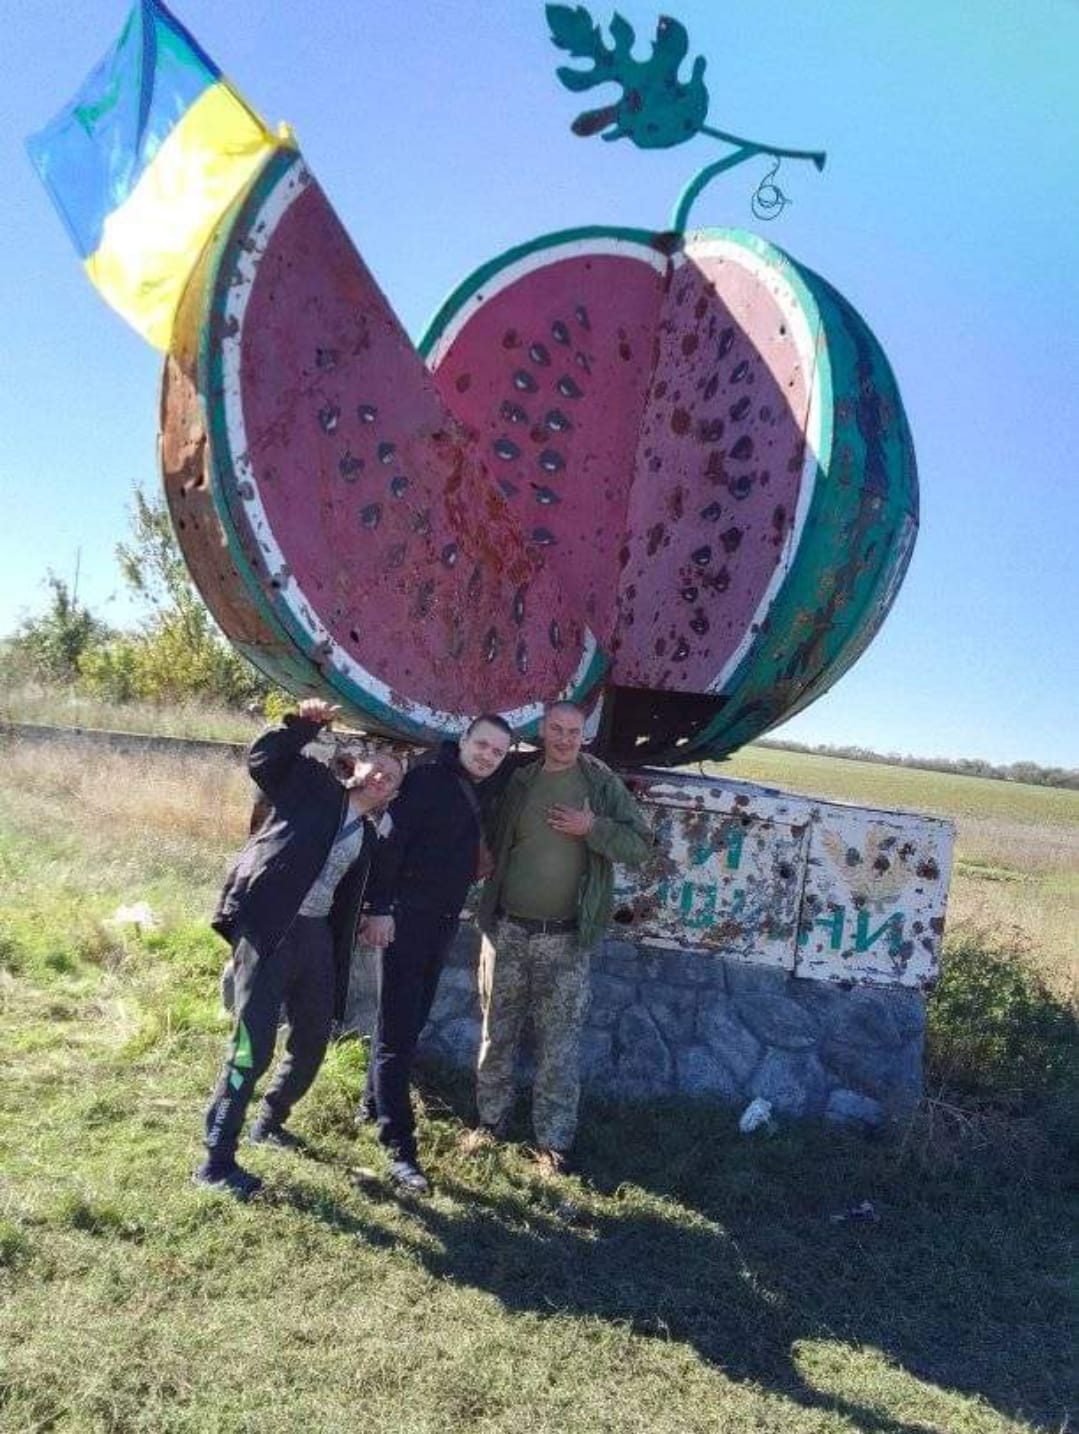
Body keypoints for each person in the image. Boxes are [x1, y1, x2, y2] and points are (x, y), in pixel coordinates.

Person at [194, 699, 403, 1199]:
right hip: (268, 927)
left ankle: (269, 1121)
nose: (383, 777)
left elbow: (375, 884)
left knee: (312, 1038)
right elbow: (262, 759)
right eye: (379, 766)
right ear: (358, 767)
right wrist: (302, 724)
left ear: (394, 793)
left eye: (394, 776)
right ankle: (216, 1161)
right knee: (252, 1046)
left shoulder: (371, 837)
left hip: (313, 937)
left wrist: (380, 909)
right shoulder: (312, 786)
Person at [473, 700, 653, 1174]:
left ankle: (552, 1144)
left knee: (558, 1047)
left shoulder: (599, 783)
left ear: (584, 734)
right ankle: (490, 1122)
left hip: (566, 940)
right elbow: (491, 830)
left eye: (574, 731)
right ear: (542, 730)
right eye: (557, 729)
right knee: (496, 1034)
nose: (565, 739)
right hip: (507, 931)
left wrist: (592, 827)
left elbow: (641, 844)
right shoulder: (520, 779)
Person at [359, 714, 513, 1193]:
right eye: (482, 744)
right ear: (463, 739)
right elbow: (389, 846)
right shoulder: (427, 781)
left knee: (408, 1022)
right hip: (405, 921)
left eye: (498, 752)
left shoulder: (476, 784)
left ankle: (372, 1104)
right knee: (398, 1034)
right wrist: (379, 909)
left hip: (440, 923)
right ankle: (399, 1149)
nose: (488, 756)